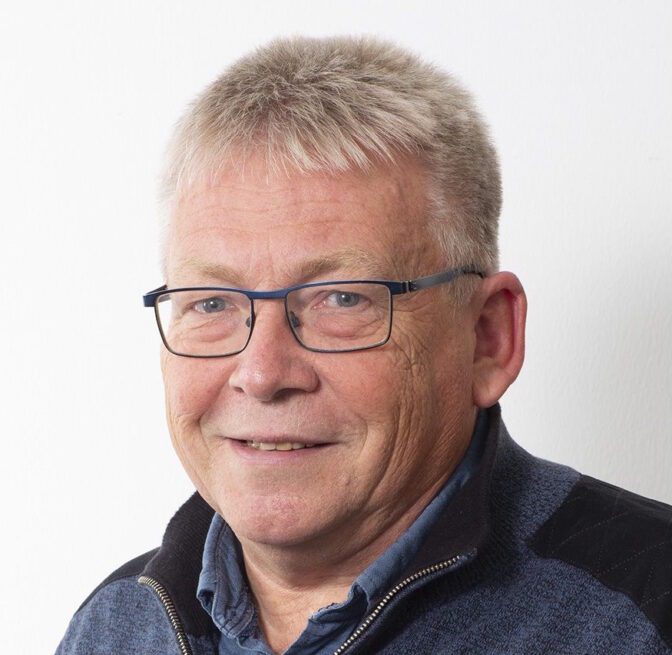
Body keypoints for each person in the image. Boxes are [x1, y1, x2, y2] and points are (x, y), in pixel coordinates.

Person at [56, 36, 672, 654]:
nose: (262, 374)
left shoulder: (649, 613)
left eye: (342, 299)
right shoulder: (117, 627)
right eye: (212, 303)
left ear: (488, 338)